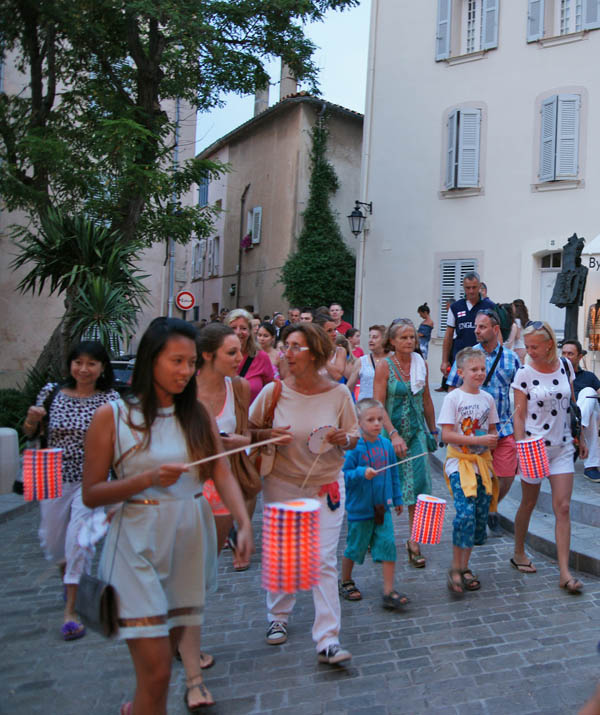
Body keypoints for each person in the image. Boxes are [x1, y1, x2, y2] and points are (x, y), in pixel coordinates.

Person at [83, 317, 253, 714]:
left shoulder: (196, 415)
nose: (185, 371)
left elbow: (221, 471)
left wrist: (243, 523)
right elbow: (92, 494)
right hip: (135, 541)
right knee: (158, 670)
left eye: (191, 362)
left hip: (189, 539)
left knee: (158, 670)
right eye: (176, 361)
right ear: (150, 360)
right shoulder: (113, 417)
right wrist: (145, 479)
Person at [249, 323, 358, 665]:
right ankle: (277, 616)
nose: (288, 354)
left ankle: (328, 639)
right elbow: (250, 430)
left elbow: (354, 432)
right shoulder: (274, 391)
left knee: (323, 559)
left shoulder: (339, 393)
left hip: (326, 484)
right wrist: (269, 434)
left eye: (296, 347)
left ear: (316, 353)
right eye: (286, 347)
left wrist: (345, 438)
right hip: (281, 483)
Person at [22, 341, 119, 642]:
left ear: (102, 368)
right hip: (52, 476)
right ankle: (69, 574)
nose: (84, 368)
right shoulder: (52, 393)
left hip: (93, 480)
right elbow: (31, 433)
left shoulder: (111, 399)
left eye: (91, 363)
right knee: (52, 541)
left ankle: (72, 610)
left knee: (79, 540)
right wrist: (31, 419)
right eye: (78, 362)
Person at [511, 321, 587, 593]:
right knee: (529, 503)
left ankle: (564, 572)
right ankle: (519, 551)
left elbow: (572, 404)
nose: (529, 351)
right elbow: (518, 414)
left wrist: (583, 438)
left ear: (549, 345)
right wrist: (521, 446)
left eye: (534, 346)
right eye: (527, 346)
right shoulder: (524, 373)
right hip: (534, 445)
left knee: (563, 508)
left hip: (563, 446)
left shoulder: (566, 366)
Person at [447, 310, 520, 538]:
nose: (476, 331)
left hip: (504, 428)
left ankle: (489, 506)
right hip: (474, 430)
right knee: (480, 477)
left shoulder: (511, 358)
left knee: (506, 476)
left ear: (495, 329)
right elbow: (452, 386)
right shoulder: (468, 356)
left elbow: (521, 392)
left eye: (482, 327)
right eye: (476, 327)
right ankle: (484, 511)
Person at [373, 319, 437, 568]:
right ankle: (377, 535)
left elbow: (427, 399)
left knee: (419, 487)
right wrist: (393, 434)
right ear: (392, 341)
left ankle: (414, 540)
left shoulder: (422, 364)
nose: (410, 341)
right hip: (390, 434)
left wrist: (432, 429)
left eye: (412, 337)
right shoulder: (384, 367)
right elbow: (378, 405)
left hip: (417, 432)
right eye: (404, 337)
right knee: (384, 488)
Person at [438, 347, 499, 594]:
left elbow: (493, 430)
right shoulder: (453, 398)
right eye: (474, 369)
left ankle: (465, 566)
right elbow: (446, 434)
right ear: (460, 372)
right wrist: (477, 441)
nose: (480, 373)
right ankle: (455, 567)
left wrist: (491, 439)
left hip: (481, 465)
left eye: (483, 369)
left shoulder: (488, 398)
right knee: (464, 514)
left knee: (476, 518)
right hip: (460, 464)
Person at [195, 323, 255, 570]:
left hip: (224, 487)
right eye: (231, 353)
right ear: (208, 355)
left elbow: (247, 430)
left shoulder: (238, 386)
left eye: (240, 351)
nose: (240, 358)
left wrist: (245, 441)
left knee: (206, 569)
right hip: (189, 489)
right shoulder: (184, 390)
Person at [339, 398, 407, 609]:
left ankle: (388, 590)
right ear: (359, 422)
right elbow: (344, 475)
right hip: (360, 509)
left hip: (382, 508)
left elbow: (394, 473)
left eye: (379, 419)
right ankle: (346, 580)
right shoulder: (353, 448)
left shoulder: (386, 445)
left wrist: (396, 498)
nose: (377, 424)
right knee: (355, 547)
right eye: (370, 420)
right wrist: (361, 473)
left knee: (388, 545)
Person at [439, 272, 496, 391]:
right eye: (467, 288)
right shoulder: (455, 307)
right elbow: (448, 335)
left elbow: (496, 333)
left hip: (482, 360)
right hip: (460, 359)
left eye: (474, 287)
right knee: (456, 394)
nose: (471, 291)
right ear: (463, 287)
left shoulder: (490, 306)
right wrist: (444, 361)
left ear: (480, 286)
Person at [561, 339, 600, 483]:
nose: (566, 357)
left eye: (570, 354)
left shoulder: (589, 376)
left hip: (580, 417)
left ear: (579, 357)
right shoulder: (556, 375)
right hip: (564, 415)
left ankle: (578, 426)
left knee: (589, 393)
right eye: (564, 353)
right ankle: (591, 467)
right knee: (592, 416)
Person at [225, 308, 274, 403]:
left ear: (250, 332)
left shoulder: (261, 357)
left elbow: (270, 392)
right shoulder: (217, 356)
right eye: (233, 328)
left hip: (251, 416)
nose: (238, 332)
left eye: (243, 328)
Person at [347, 324, 388, 401]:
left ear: (384, 339)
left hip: (387, 409)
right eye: (370, 337)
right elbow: (349, 388)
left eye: (375, 337)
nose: (370, 340)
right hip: (365, 408)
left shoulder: (393, 360)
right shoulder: (361, 361)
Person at [313, 312, 347, 383]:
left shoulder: (340, 351)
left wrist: (321, 354)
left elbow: (337, 376)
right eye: (329, 331)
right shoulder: (308, 351)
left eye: (335, 329)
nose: (334, 334)